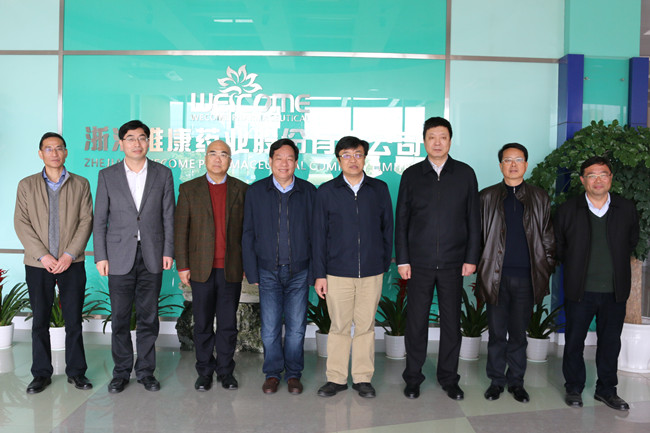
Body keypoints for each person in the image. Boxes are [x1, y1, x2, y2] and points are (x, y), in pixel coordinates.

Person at [395, 116, 481, 400]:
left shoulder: (465, 174)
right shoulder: (411, 175)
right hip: (418, 263)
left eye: (443, 137)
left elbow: (473, 218)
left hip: (454, 263)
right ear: (424, 141)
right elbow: (402, 220)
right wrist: (403, 259)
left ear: (450, 141)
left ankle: (448, 378)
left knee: (451, 323)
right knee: (416, 322)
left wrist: (471, 257)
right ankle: (413, 377)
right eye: (431, 137)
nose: (437, 142)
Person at [93, 120, 175, 393]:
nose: (136, 143)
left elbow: (168, 216)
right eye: (130, 138)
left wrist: (168, 251)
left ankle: (146, 372)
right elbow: (99, 219)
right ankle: (121, 373)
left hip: (152, 254)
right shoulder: (107, 175)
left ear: (148, 142)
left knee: (149, 318)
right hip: (118, 256)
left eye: (142, 138)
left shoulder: (163, 174)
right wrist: (101, 255)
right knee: (119, 317)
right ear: (121, 143)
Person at [312, 136, 393, 398]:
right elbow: (318, 236)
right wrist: (319, 274)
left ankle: (362, 378)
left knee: (366, 326)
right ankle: (335, 378)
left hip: (371, 271)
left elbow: (387, 229)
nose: (352, 160)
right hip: (337, 272)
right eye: (346, 155)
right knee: (339, 326)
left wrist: (381, 264)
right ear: (338, 160)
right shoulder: (326, 191)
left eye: (358, 154)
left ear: (365, 158)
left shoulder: (378, 189)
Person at [556, 156, 639, 411]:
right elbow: (559, 246)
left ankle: (607, 390)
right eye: (592, 175)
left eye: (603, 174)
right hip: (579, 289)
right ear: (583, 180)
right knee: (574, 342)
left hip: (615, 290)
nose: (598, 180)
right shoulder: (568, 210)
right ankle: (573, 388)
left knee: (610, 343)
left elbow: (631, 241)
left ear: (611, 178)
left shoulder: (626, 208)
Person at [14, 132, 94, 394]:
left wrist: (69, 254)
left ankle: (77, 372)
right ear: (40, 154)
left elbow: (86, 220)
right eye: (48, 149)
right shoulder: (26, 185)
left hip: (73, 262)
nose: (54, 153)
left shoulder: (81, 184)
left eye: (59, 148)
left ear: (66, 152)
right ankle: (40, 374)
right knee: (40, 320)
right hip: (38, 264)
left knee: (73, 319)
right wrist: (43, 255)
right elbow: (21, 223)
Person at [476, 143, 555, 403]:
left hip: (527, 278)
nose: (513, 164)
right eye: (507, 160)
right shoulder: (487, 197)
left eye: (518, 159)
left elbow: (548, 237)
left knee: (519, 334)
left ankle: (516, 383)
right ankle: (496, 381)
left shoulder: (539, 197)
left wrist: (546, 266)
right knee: (497, 333)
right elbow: (477, 237)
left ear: (526, 165)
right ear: (500, 165)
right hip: (495, 277)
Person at [242, 138, 316, 395]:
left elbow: (317, 235)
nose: (284, 164)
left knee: (296, 328)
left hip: (300, 271)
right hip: (267, 271)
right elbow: (248, 233)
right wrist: (251, 269)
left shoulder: (309, 192)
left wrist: (315, 272)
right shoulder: (256, 192)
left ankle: (294, 374)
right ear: (270, 161)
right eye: (279, 158)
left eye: (289, 159)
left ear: (296, 162)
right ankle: (272, 373)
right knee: (270, 328)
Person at [174, 140, 248, 392]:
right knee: (203, 323)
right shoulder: (189, 189)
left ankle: (226, 371)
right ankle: (204, 371)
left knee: (228, 324)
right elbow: (180, 231)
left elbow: (248, 232)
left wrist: (248, 264)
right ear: (205, 158)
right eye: (213, 154)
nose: (218, 159)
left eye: (223, 154)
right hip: (200, 268)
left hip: (231, 268)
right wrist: (183, 265)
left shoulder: (242, 189)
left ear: (230, 160)